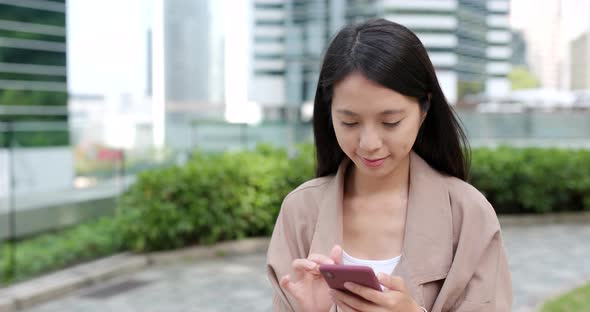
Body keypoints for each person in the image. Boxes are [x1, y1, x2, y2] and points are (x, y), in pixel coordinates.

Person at [266, 19, 512, 312]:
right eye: (349, 122)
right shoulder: (300, 211)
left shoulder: (468, 213)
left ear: (424, 109)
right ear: (328, 113)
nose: (369, 142)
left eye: (390, 121)